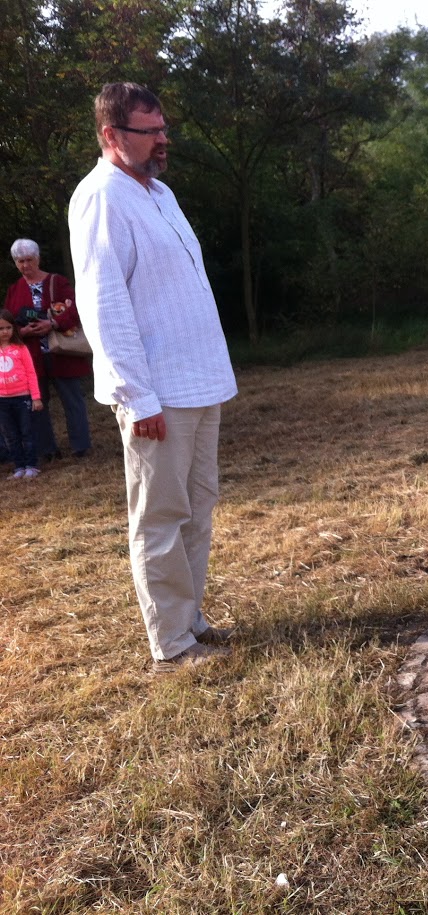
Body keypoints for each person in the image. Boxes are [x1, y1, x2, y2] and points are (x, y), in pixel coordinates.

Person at [68, 82, 238, 672]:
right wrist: (136, 396)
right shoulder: (100, 198)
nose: (163, 139)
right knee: (161, 517)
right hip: (156, 393)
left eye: (164, 128)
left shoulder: (159, 192)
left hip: (200, 381)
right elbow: (103, 305)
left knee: (198, 507)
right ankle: (171, 643)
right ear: (112, 135)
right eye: (150, 131)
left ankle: (190, 618)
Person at [5, 239, 93, 459]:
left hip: (61, 352)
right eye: (20, 261)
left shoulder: (57, 282)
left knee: (72, 400)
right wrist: (22, 332)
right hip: (31, 357)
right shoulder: (15, 290)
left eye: (29, 260)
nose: (25, 265)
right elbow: (7, 321)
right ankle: (47, 449)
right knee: (38, 403)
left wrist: (53, 323)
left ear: (38, 259)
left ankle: (80, 446)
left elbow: (77, 309)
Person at [0, 308, 44, 479]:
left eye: (8, 328)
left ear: (14, 328)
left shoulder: (20, 348)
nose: (5, 332)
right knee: (10, 435)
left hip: (22, 398)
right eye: (1, 328)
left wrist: (36, 397)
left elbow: (31, 373)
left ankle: (31, 465)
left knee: (27, 432)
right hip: (2, 401)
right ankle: (18, 467)